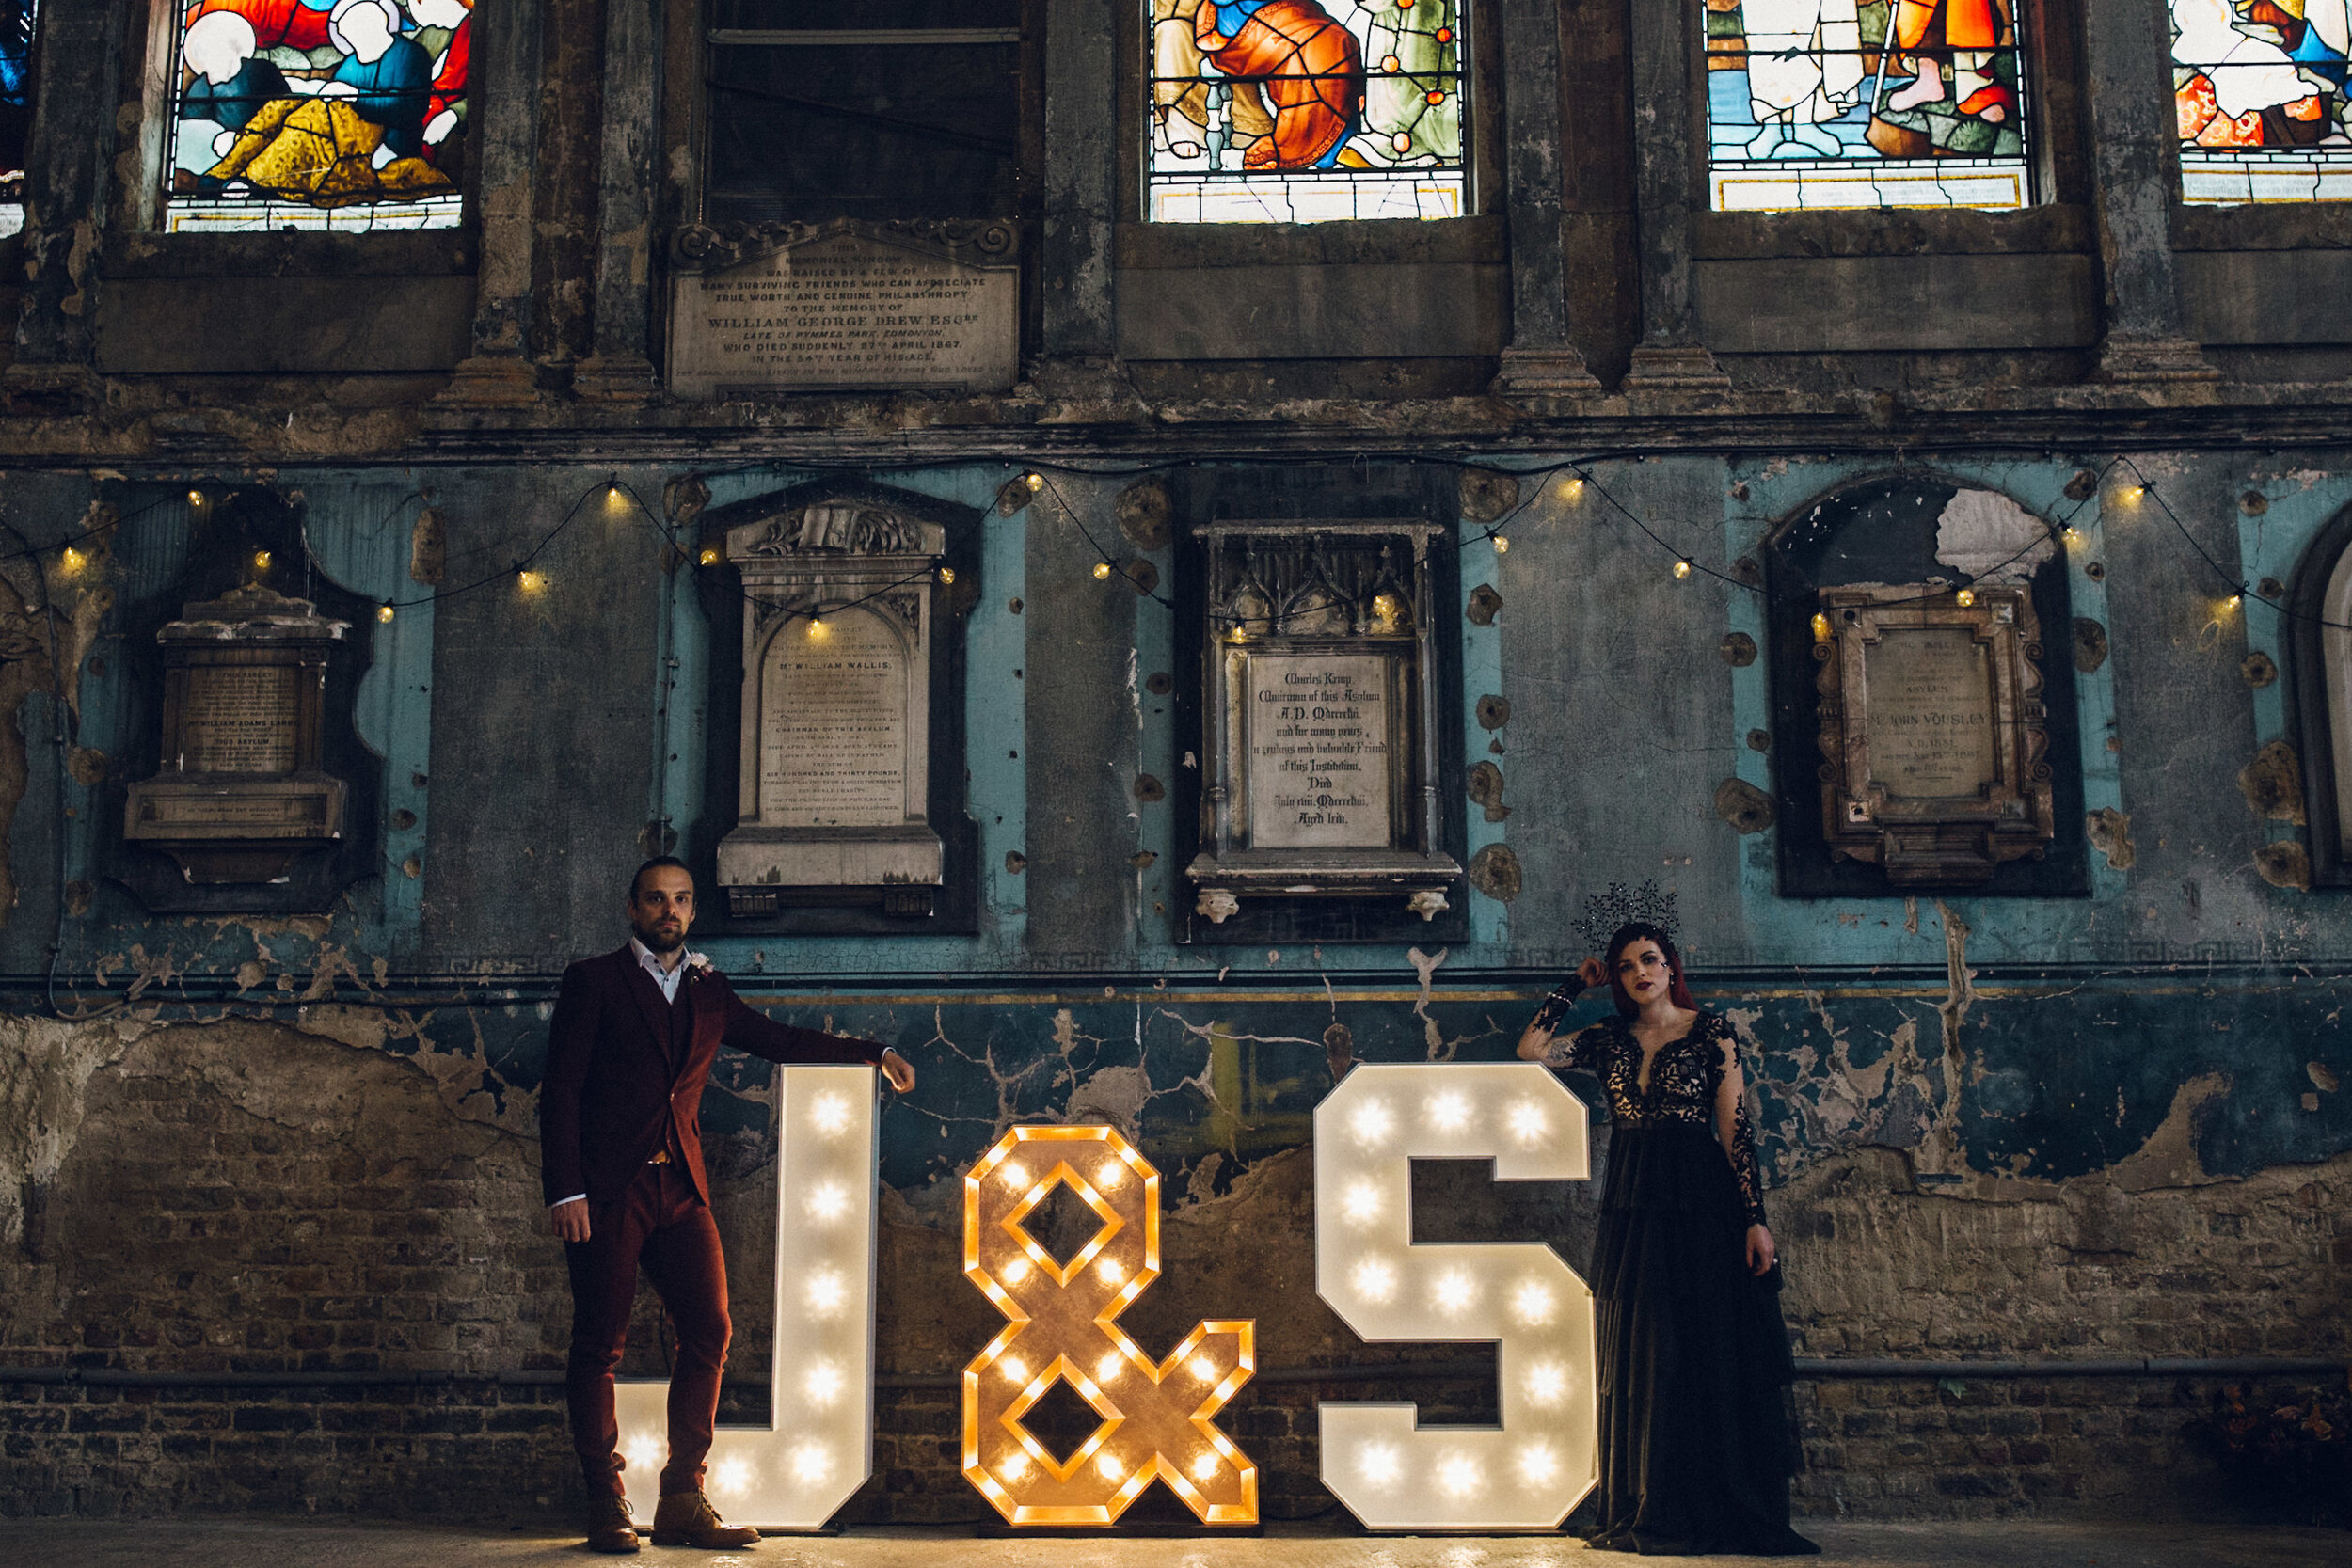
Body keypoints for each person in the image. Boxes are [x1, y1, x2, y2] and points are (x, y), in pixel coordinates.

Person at [542, 856, 917, 1554]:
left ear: (692, 910)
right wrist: (566, 1189)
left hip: (681, 1189)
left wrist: (874, 1051)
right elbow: (560, 1089)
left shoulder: (708, 989)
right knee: (600, 1343)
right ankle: (606, 1500)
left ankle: (682, 1496)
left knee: (710, 1331)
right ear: (632, 908)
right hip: (607, 1190)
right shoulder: (593, 981)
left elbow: (777, 1039)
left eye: (681, 899)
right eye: (656, 899)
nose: (670, 911)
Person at [1518, 921, 1817, 1557]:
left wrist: (1754, 1218)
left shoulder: (1712, 1033)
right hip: (1636, 1201)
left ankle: (1716, 1500)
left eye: (1648, 960)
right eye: (1625, 966)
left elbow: (1736, 1133)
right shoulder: (1607, 1039)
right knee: (1649, 1353)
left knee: (1705, 1345)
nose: (1639, 973)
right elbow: (1532, 1048)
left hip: (1702, 1201)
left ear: (1670, 964)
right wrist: (1576, 982)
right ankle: (1653, 1499)